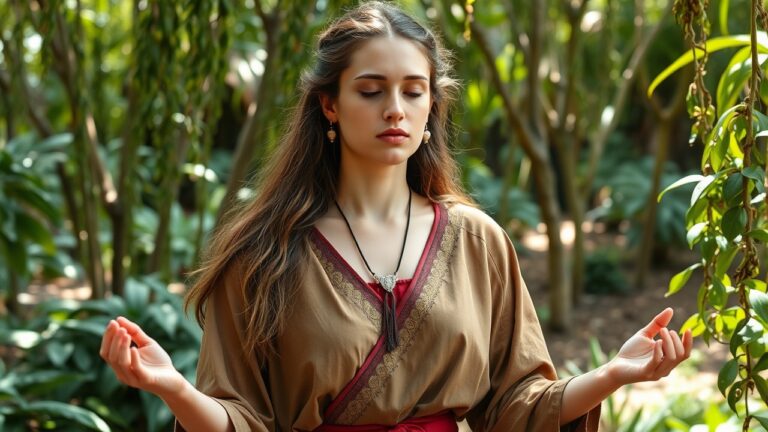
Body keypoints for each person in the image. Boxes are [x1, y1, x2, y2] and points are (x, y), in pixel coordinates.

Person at [99, 2, 693, 431]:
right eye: (371, 90)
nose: (395, 109)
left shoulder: (477, 241)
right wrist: (172, 387)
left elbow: (518, 405)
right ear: (329, 103)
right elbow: (241, 419)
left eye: (414, 90)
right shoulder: (264, 251)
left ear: (433, 105)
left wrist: (614, 374)